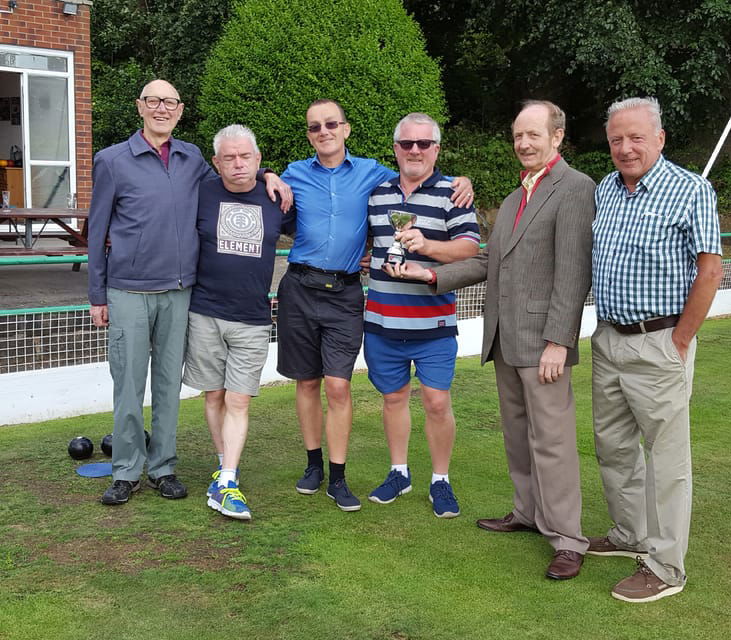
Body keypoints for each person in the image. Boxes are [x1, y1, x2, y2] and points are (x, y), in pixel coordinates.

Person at [394, 101, 594, 579]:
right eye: (518, 135)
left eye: (533, 135)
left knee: (553, 441)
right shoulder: (513, 198)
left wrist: (559, 341)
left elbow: (573, 271)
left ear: (557, 137)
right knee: (519, 437)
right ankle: (527, 513)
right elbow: (489, 264)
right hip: (504, 338)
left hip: (543, 342)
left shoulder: (575, 188)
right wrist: (430, 275)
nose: (523, 143)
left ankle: (567, 538)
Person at [88, 80, 288, 506]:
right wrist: (97, 295)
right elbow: (97, 230)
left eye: (170, 102)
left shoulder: (191, 157)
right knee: (127, 383)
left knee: (167, 385)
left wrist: (270, 174)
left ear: (180, 110)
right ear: (140, 106)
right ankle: (125, 471)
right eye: (153, 101)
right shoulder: (111, 161)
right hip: (128, 290)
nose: (162, 108)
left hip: (181, 292)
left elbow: (236, 174)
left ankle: (162, 467)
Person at [276, 99, 473, 511]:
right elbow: (255, 180)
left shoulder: (375, 175)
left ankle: (385, 477)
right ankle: (325, 467)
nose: (323, 131)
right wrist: (265, 173)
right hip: (319, 293)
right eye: (315, 126)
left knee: (346, 386)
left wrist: (464, 180)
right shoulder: (300, 174)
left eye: (332, 123)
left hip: (362, 296)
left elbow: (461, 234)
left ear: (346, 129)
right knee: (316, 384)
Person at [588, 97, 722, 602]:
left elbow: (710, 271)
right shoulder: (606, 189)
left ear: (660, 139)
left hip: (660, 342)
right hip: (608, 338)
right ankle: (630, 535)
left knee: (666, 461)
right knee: (614, 448)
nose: (626, 148)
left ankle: (665, 567)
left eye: (636, 137)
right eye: (617, 139)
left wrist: (680, 340)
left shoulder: (689, 189)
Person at [363, 113, 480, 518]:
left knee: (435, 401)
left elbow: (469, 248)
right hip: (381, 320)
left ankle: (440, 480)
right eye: (407, 144)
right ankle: (399, 472)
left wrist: (427, 247)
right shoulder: (376, 192)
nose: (415, 150)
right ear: (395, 148)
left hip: (433, 323)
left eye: (424, 144)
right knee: (393, 398)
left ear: (437, 149)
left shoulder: (454, 193)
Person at [182, 124, 295, 520]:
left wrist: (271, 178)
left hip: (252, 317)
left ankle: (228, 479)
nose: (237, 164)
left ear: (259, 159)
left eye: (245, 156)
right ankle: (223, 464)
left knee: (239, 398)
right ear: (216, 163)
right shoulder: (201, 192)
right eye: (228, 158)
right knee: (213, 396)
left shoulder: (277, 199)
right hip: (204, 312)